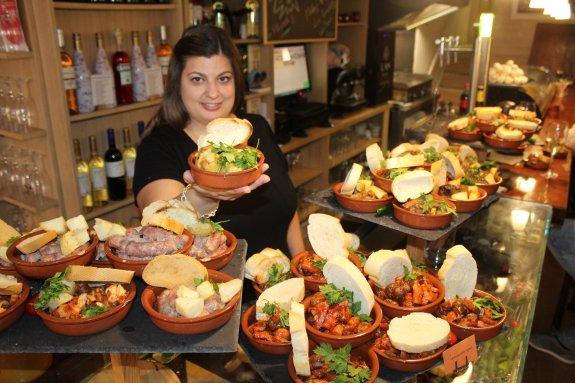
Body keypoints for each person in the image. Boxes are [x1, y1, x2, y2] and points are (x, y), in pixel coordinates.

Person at [133, 25, 305, 256]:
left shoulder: (257, 127)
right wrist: (204, 195)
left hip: (283, 285)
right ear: (177, 84)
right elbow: (161, 224)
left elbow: (288, 210)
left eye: (223, 78)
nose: (213, 92)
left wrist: (301, 264)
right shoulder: (158, 146)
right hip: (217, 290)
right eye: (197, 79)